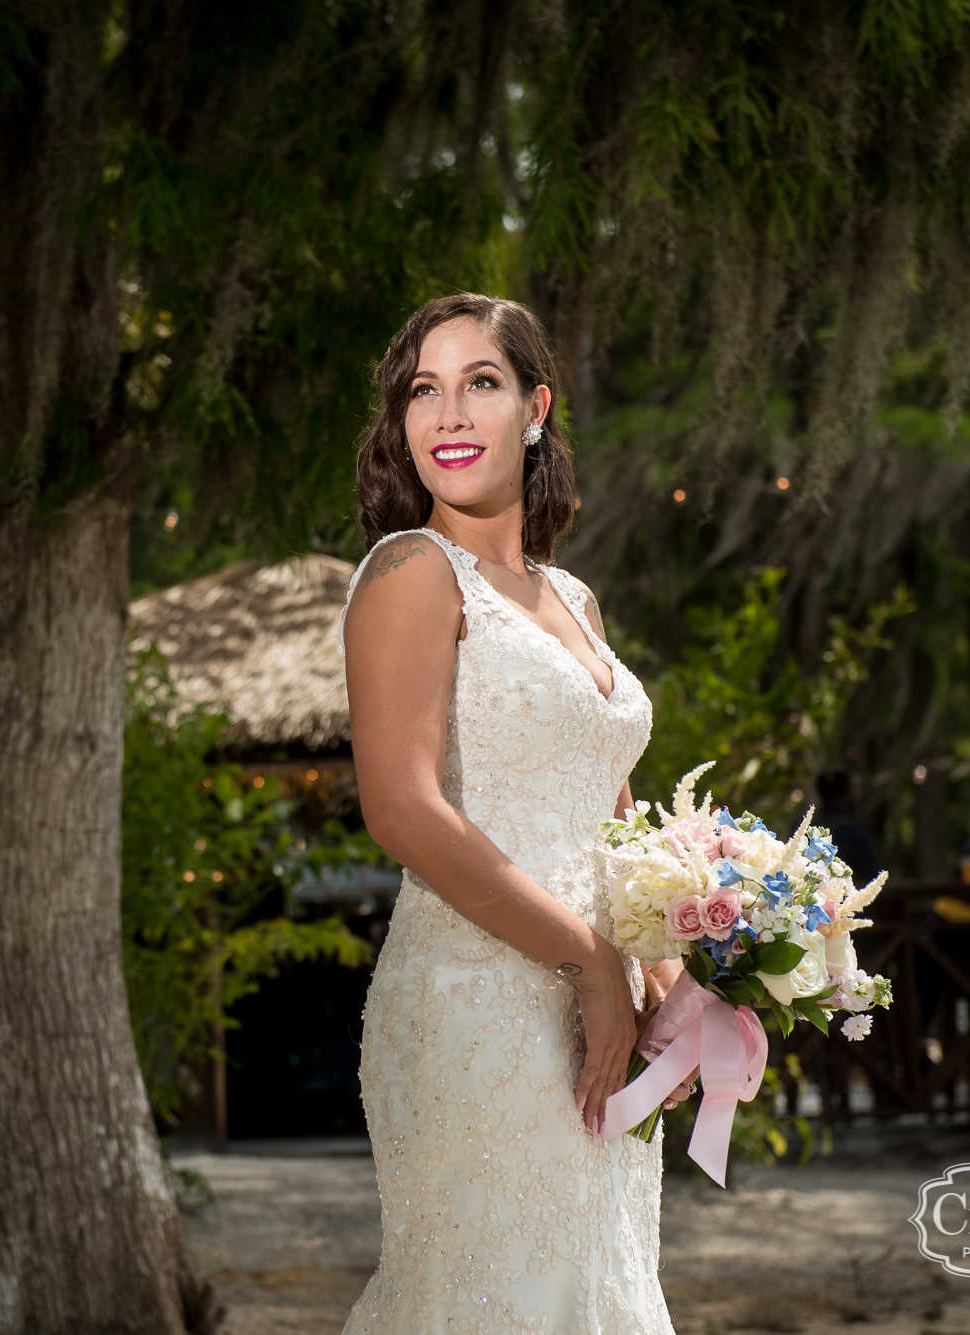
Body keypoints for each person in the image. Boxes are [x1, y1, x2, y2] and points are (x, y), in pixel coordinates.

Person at [339, 293, 678, 1332]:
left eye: (477, 384)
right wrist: (585, 961)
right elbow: (400, 810)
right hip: (475, 1007)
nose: (446, 414)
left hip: (601, 1007)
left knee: (596, 1290)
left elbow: (608, 809)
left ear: (534, 407)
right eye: (421, 391)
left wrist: (664, 965)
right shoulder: (408, 572)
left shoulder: (573, 600)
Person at [813, 769, 881, 888]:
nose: (859, 794)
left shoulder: (802, 828)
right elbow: (870, 880)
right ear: (846, 791)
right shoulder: (852, 832)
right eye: (855, 788)